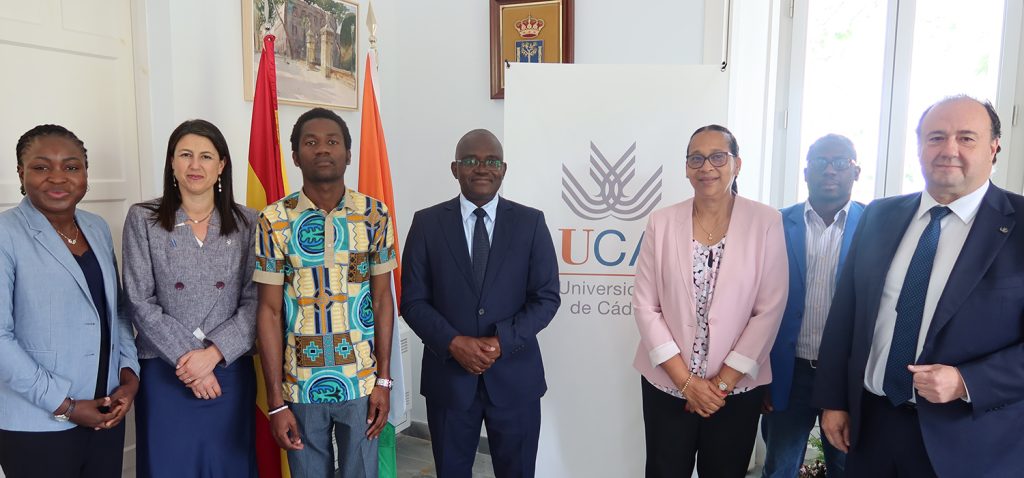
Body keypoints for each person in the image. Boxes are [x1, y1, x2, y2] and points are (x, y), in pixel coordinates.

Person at [813, 96, 1024, 477]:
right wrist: (834, 401)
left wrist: (967, 381)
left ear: (994, 148)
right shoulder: (880, 215)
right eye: (936, 137)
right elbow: (845, 314)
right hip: (871, 426)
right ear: (919, 147)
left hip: (970, 439)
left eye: (966, 138)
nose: (949, 150)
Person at [401, 129, 560, 478]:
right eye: (471, 160)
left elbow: (546, 297)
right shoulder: (427, 223)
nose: (482, 168)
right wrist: (453, 343)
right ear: (455, 168)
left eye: (492, 161)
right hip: (449, 380)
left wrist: (502, 341)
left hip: (515, 378)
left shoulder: (530, 223)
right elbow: (412, 301)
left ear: (504, 169)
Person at [632, 124, 788, 478]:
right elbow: (645, 305)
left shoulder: (766, 221)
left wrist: (719, 386)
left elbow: (769, 309)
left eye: (718, 157)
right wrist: (686, 383)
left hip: (735, 389)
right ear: (686, 168)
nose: (706, 167)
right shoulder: (661, 222)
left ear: (737, 164)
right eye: (696, 159)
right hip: (667, 384)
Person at [254, 107, 396, 478]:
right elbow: (268, 311)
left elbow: (383, 300)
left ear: (348, 154)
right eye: (311, 142)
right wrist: (275, 401)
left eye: (332, 142)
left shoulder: (374, 214)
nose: (322, 149)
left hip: (361, 382)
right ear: (295, 155)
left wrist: (383, 381)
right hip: (300, 386)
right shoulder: (274, 220)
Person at [0, 125, 140, 477]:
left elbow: (117, 311)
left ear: (85, 174)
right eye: (41, 167)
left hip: (105, 413)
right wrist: (66, 406)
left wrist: (129, 376)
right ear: (21, 173)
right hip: (37, 425)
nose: (58, 177)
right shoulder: (6, 234)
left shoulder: (96, 227)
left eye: (71, 167)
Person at [122, 119, 258, 477]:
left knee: (227, 466)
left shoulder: (248, 222)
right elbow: (139, 299)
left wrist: (212, 355)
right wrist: (189, 362)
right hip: (165, 369)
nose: (195, 165)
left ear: (222, 165)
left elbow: (255, 301)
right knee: (170, 465)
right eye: (185, 155)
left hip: (228, 368)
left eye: (206, 156)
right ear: (171, 162)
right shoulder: (143, 218)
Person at [761, 134, 864, 478]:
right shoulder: (775, 223)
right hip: (789, 371)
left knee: (847, 467)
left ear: (856, 172)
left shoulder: (875, 225)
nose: (830, 170)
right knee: (779, 467)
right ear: (806, 172)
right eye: (820, 162)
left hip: (846, 375)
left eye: (841, 162)